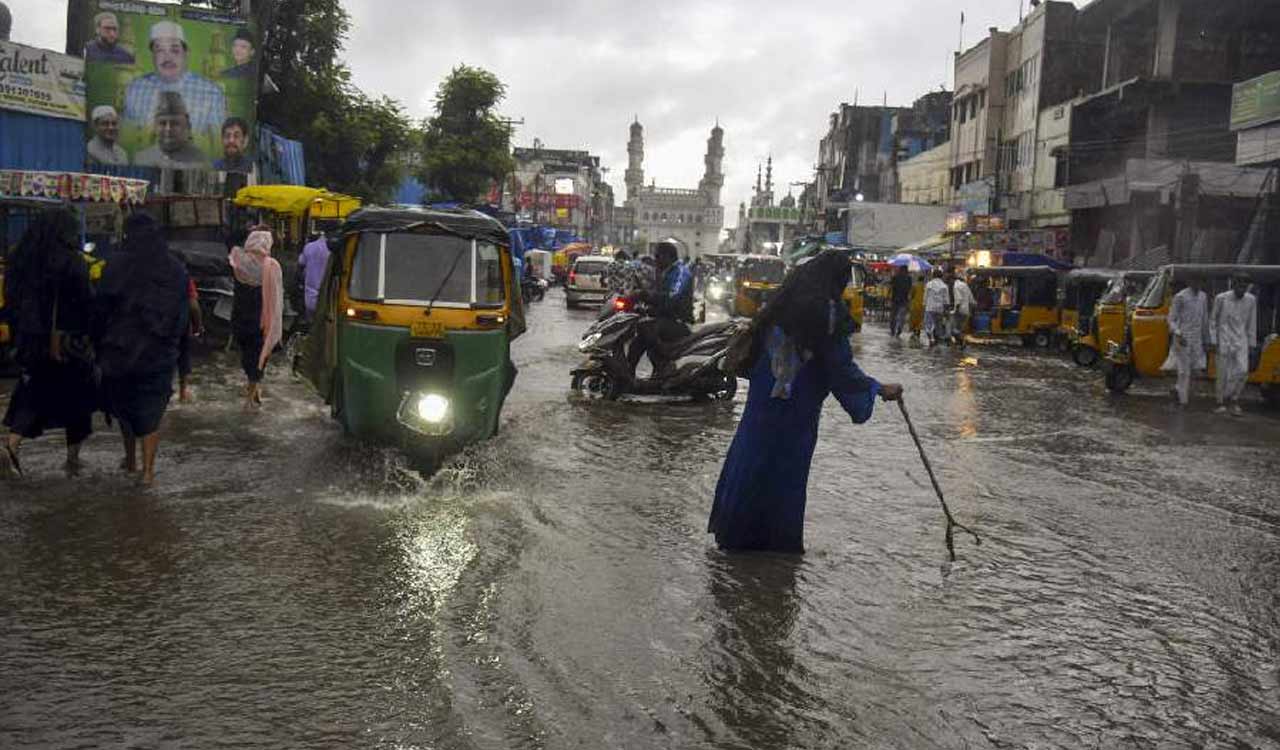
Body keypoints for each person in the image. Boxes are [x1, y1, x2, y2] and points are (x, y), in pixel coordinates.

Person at [708, 250, 904, 553]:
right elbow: (840, 369)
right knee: (784, 478)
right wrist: (877, 388)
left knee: (749, 464)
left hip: (761, 410)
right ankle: (775, 550)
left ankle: (734, 541)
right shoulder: (826, 315)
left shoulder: (777, 307)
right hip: (795, 416)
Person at [1, 209, 97, 479]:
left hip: (30, 342)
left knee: (32, 392)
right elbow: (87, 303)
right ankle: (73, 460)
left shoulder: (20, 259)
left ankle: (11, 445)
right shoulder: (72, 262)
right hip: (68, 344)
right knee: (78, 399)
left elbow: (10, 302)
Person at [95, 213, 190, 487]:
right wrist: (176, 353)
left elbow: (101, 309)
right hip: (158, 353)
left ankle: (131, 461)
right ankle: (148, 472)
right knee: (151, 411)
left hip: (119, 351)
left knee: (125, 406)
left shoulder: (115, 265)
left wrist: (98, 345)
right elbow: (181, 317)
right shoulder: (175, 269)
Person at [123, 20, 228, 139]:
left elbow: (218, 145)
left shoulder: (212, 93)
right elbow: (127, 139)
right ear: (153, 56)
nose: (168, 57)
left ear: (186, 53)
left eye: (174, 50)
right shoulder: (135, 89)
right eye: (160, 50)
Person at [230, 228, 283, 408]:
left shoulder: (238, 261)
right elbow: (277, 296)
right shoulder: (272, 266)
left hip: (240, 316)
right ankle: (251, 396)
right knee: (259, 354)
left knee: (247, 354)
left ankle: (253, 389)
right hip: (261, 319)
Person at [627, 240, 693, 378]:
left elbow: (672, 297)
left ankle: (664, 366)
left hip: (679, 321)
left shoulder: (681, 272)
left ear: (667, 256)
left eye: (657, 256)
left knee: (647, 329)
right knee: (637, 340)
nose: (655, 260)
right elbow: (658, 298)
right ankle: (628, 375)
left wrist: (645, 295)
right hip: (666, 318)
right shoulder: (664, 272)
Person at [1209, 275, 1258, 416]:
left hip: (1241, 341)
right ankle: (1220, 402)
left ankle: (1234, 398)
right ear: (1233, 284)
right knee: (1222, 373)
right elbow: (1213, 321)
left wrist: (1251, 344)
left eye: (1245, 286)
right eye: (1239, 285)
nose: (1242, 289)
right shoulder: (1221, 298)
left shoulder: (1251, 300)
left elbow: (1251, 323)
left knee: (1243, 371)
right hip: (1223, 340)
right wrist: (1213, 341)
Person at [133, 92, 210, 169]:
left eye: (175, 123)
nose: (168, 129)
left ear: (186, 126)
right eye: (163, 123)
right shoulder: (141, 159)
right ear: (155, 127)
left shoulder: (199, 161)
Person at [1164, 278, 1210, 407]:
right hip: (1182, 338)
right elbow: (1171, 319)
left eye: (1201, 282)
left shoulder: (1203, 297)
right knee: (1184, 371)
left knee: (1194, 369)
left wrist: (1207, 339)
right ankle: (1183, 402)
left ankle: (1177, 390)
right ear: (1190, 282)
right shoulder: (1180, 297)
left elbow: (1204, 319)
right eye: (1195, 281)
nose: (1198, 284)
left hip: (1197, 339)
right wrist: (1178, 333)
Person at [176, 276, 203, 403]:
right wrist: (198, 327)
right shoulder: (183, 276)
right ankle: (182, 393)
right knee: (183, 357)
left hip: (153, 325)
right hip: (179, 325)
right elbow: (193, 306)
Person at [297, 230, 331, 321]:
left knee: (310, 322)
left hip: (310, 293)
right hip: (327, 294)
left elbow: (301, 262)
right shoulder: (332, 249)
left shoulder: (309, 247)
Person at [947, 269, 975, 348]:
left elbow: (958, 299)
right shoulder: (965, 285)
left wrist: (956, 310)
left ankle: (962, 341)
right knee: (959, 329)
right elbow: (971, 299)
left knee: (952, 329)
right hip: (966, 311)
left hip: (959, 311)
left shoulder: (956, 286)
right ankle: (959, 343)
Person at [924, 268, 949, 347]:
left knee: (928, 324)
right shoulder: (944, 286)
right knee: (938, 325)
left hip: (930, 307)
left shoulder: (929, 284)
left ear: (933, 275)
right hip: (939, 308)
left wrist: (924, 305)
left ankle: (931, 339)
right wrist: (946, 309)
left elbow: (925, 297)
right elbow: (946, 299)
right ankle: (937, 341)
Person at [888, 264, 912, 338]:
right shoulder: (909, 278)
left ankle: (893, 330)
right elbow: (909, 290)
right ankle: (899, 330)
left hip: (895, 299)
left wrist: (888, 297)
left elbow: (891, 287)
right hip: (904, 300)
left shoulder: (895, 277)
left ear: (900, 270)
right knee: (902, 316)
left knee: (893, 316)